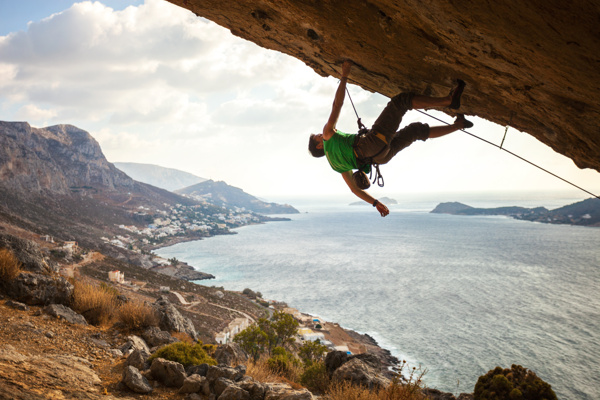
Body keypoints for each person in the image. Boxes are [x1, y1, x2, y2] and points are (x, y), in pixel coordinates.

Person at [308, 60, 473, 217]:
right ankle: (449, 100)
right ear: (319, 146)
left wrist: (376, 203)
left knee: (415, 131)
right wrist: (344, 75)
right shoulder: (328, 134)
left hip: (380, 158)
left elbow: (355, 190)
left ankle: (458, 125)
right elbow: (337, 105)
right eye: (317, 137)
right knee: (400, 102)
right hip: (370, 144)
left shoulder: (336, 165)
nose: (320, 134)